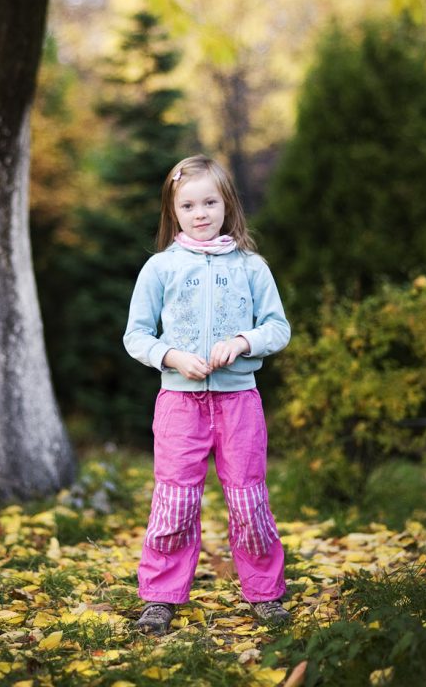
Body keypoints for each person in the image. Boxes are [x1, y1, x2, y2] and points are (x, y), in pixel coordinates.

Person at [123, 154, 291, 635]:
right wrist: (172, 356)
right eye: (189, 204)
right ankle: (160, 597)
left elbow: (277, 328)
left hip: (240, 403)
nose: (201, 213)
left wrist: (243, 342)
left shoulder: (251, 267)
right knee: (175, 501)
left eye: (210, 202)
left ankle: (264, 592)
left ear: (227, 204)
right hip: (180, 405)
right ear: (172, 211)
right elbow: (136, 335)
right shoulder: (160, 268)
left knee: (248, 500)